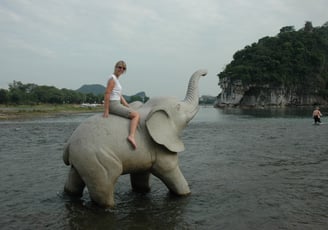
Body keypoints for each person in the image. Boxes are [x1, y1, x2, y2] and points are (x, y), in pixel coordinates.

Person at [103, 60, 140, 149]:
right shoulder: (112, 79)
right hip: (113, 104)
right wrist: (106, 110)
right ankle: (131, 136)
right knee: (136, 115)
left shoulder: (116, 79)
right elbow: (107, 93)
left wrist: (127, 105)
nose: (121, 69)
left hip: (116, 102)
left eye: (123, 68)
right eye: (119, 67)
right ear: (115, 67)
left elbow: (119, 95)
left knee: (133, 111)